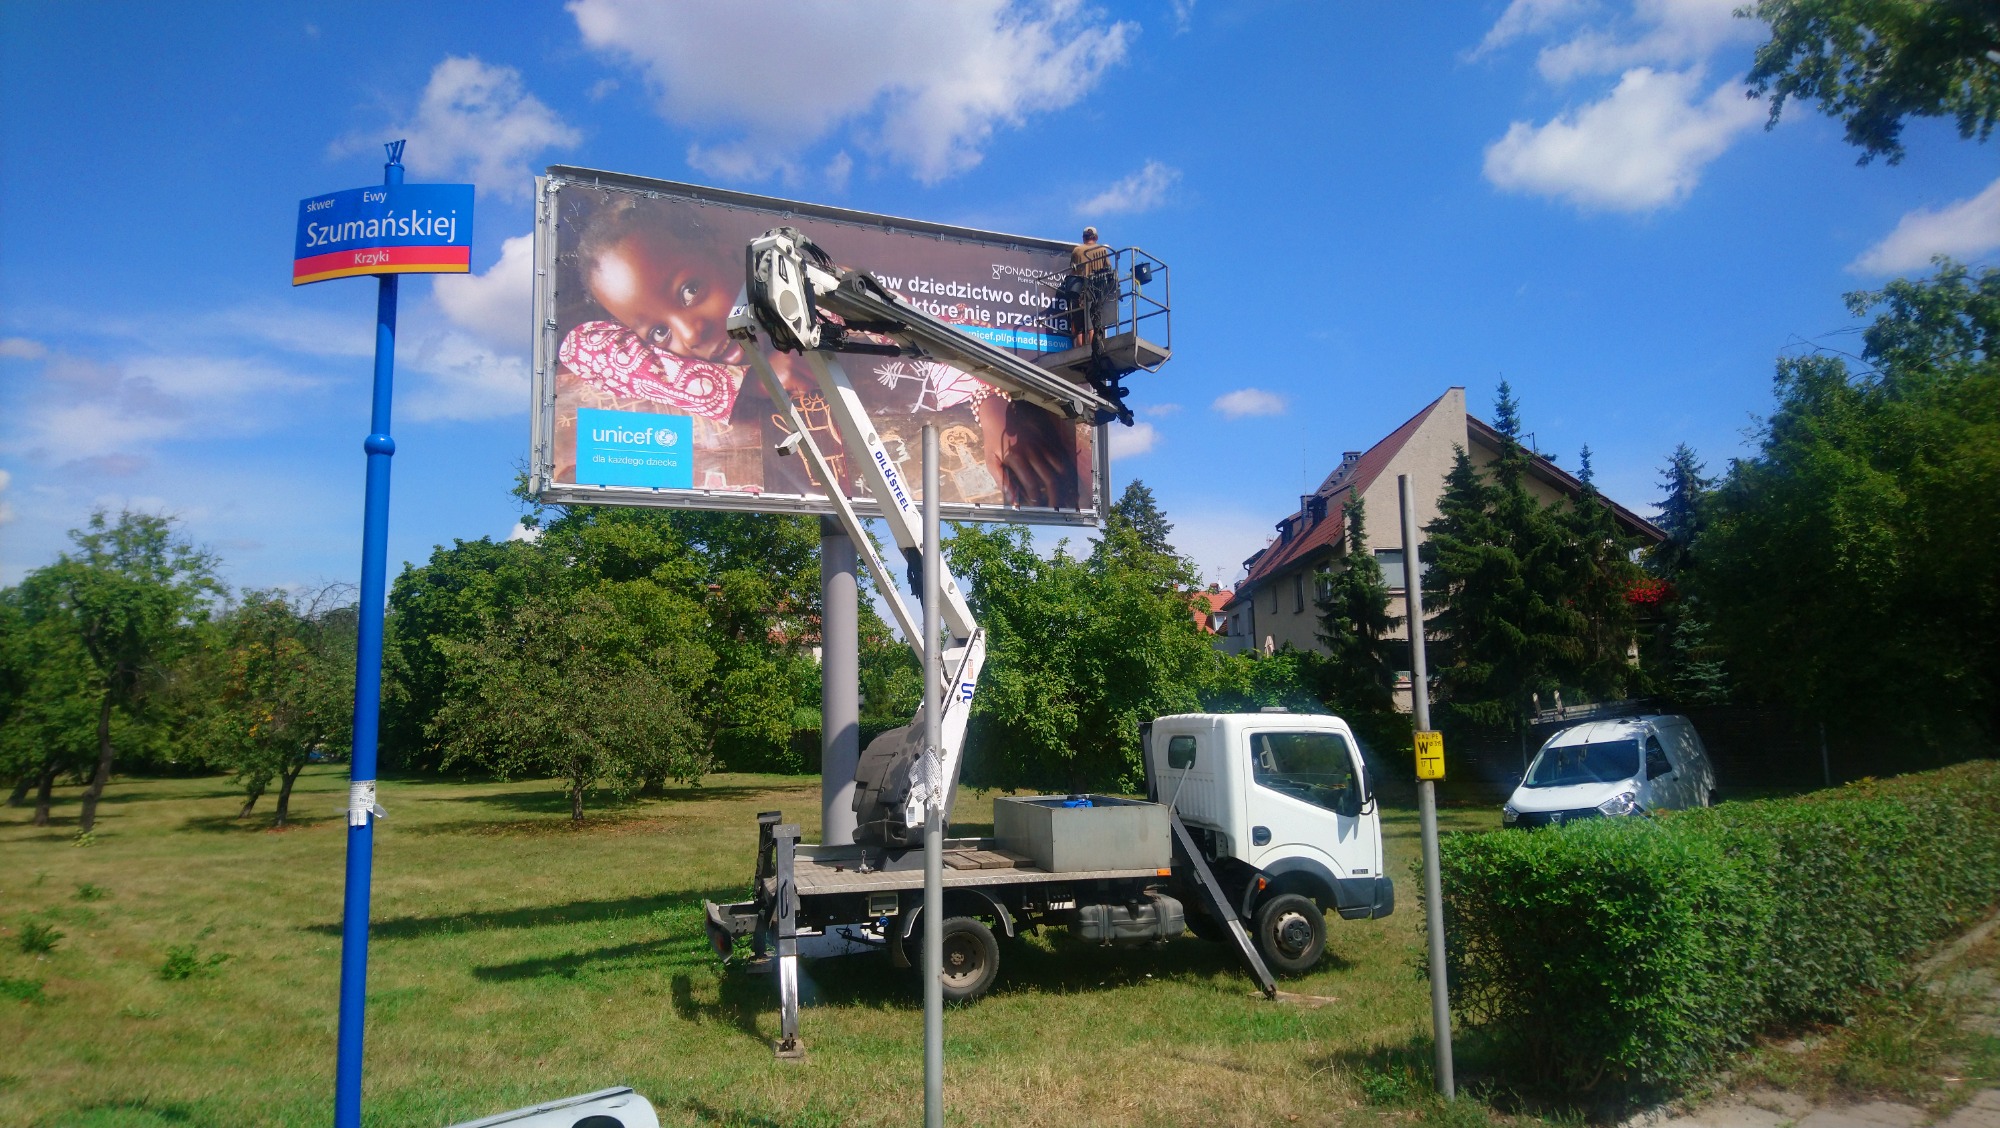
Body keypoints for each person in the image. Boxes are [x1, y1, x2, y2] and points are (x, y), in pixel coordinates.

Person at [1066, 226, 1116, 346]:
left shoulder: (1077, 251)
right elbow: (1108, 269)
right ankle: (1093, 346)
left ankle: (1080, 348)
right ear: (1096, 237)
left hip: (1080, 290)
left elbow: (1072, 270)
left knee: (1078, 323)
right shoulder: (1102, 249)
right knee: (1093, 320)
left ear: (1084, 238)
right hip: (1097, 290)